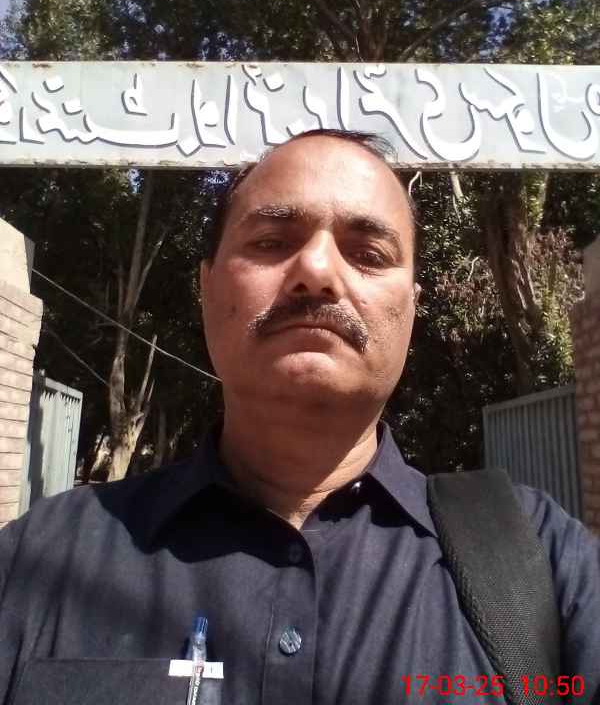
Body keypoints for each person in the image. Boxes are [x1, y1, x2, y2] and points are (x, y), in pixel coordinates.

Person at [1, 129, 599, 705]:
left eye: (368, 254)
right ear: (207, 290)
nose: (316, 270)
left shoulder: (545, 564)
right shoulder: (38, 559)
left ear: (411, 311)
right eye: (270, 242)